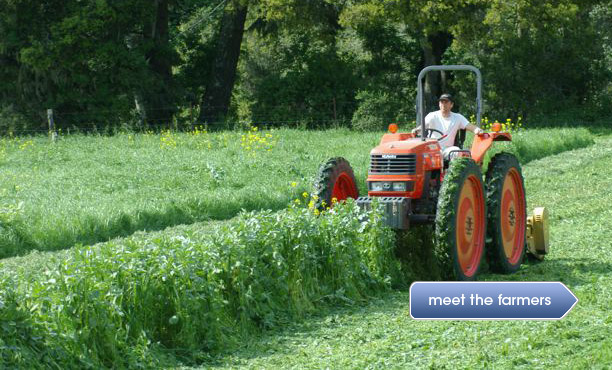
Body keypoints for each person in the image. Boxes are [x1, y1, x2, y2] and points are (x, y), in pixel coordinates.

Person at [413, 93, 484, 159]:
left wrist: (477, 130)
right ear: (439, 104)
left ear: (451, 105)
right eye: (442, 102)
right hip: (432, 147)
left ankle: (452, 171)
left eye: (446, 102)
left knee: (456, 151)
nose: (444, 104)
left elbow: (470, 126)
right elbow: (422, 127)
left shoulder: (458, 117)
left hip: (448, 149)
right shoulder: (432, 115)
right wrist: (416, 130)